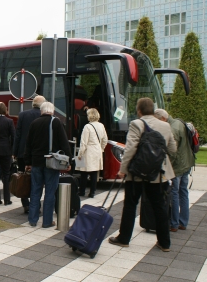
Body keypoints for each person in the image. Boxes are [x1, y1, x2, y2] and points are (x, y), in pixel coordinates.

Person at [108, 98, 176, 252]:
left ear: (139, 111)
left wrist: (123, 169)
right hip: (158, 173)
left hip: (137, 173)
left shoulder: (136, 124)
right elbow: (172, 149)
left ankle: (124, 238)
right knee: (159, 206)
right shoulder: (165, 125)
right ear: (153, 110)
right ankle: (164, 242)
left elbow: (130, 148)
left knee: (130, 205)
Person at [24, 102, 73, 228]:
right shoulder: (56, 122)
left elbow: (28, 144)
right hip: (51, 163)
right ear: (52, 111)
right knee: (50, 192)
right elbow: (64, 143)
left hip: (36, 162)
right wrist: (69, 161)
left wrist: (28, 162)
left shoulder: (34, 123)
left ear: (41, 111)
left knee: (35, 191)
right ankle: (47, 221)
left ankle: (33, 219)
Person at [154, 108, 194, 232]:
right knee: (183, 192)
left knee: (174, 194)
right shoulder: (179, 122)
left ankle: (174, 223)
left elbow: (173, 152)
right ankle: (183, 222)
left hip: (178, 166)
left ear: (163, 119)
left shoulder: (173, 129)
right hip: (187, 163)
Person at [12, 95, 46, 213]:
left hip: (23, 152)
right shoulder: (44, 116)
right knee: (37, 180)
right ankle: (35, 205)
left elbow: (18, 134)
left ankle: (26, 204)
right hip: (39, 154)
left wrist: (15, 152)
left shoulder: (22, 115)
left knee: (23, 178)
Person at [77, 108, 108, 198]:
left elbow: (84, 142)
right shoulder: (101, 126)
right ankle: (92, 192)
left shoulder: (87, 127)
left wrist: (80, 154)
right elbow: (105, 139)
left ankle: (82, 191)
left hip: (88, 151)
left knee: (84, 173)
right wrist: (101, 149)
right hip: (97, 151)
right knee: (94, 173)